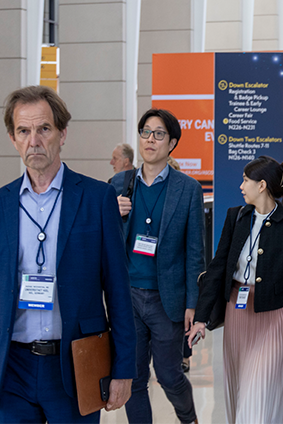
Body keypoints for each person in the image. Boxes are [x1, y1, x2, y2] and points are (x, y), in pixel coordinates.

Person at [0, 86, 136, 423]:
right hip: (12, 369)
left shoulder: (97, 199)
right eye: (24, 130)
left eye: (44, 129)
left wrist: (124, 369)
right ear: (12, 138)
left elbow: (119, 290)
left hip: (75, 363)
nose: (34, 140)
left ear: (62, 134)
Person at [188, 156, 283, 424]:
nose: (241, 185)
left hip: (274, 320)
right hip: (237, 315)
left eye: (246, 180)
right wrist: (200, 319)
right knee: (239, 394)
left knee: (256, 400)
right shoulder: (236, 217)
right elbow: (218, 268)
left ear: (262, 185)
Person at [111, 108, 204, 424]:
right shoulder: (119, 184)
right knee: (133, 378)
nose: (150, 139)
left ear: (172, 142)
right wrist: (111, 214)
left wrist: (194, 303)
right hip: (126, 297)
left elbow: (195, 253)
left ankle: (188, 417)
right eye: (145, 132)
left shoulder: (187, 188)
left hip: (167, 298)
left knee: (169, 375)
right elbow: (97, 241)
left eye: (159, 133)